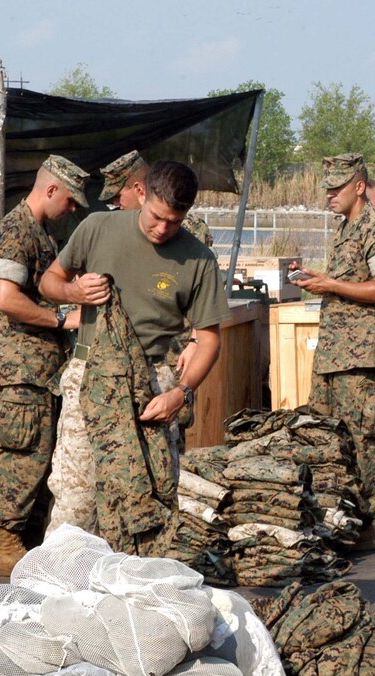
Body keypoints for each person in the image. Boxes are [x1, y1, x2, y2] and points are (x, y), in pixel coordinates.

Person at [40, 160, 231, 551]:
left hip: (152, 385)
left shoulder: (198, 259)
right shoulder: (97, 228)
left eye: (174, 222)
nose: (163, 229)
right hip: (90, 376)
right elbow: (49, 281)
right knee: (75, 503)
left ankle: (133, 586)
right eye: (157, 217)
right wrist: (74, 292)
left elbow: (210, 339)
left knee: (147, 506)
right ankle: (56, 583)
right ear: (142, 193)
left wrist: (182, 392)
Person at [0, 155, 89, 575]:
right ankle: (7, 544)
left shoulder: (39, 232)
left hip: (40, 369)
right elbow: (6, 298)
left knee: (40, 457)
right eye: (70, 199)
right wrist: (60, 319)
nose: (73, 208)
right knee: (21, 455)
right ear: (50, 189)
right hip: (22, 369)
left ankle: (26, 544)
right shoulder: (17, 231)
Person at [289, 153, 375, 547]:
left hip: (362, 358)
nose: (330, 195)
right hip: (334, 355)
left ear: (359, 186)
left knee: (360, 442)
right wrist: (321, 279)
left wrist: (331, 285)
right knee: (325, 439)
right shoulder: (345, 229)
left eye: (337, 188)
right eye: (327, 188)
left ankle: (362, 526)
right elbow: (351, 281)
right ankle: (334, 523)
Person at [98, 150, 209, 450]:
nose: (116, 204)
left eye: (118, 196)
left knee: (169, 434)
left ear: (138, 189)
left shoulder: (188, 232)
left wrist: (195, 341)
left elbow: (203, 296)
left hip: (172, 351)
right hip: (127, 361)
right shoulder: (113, 229)